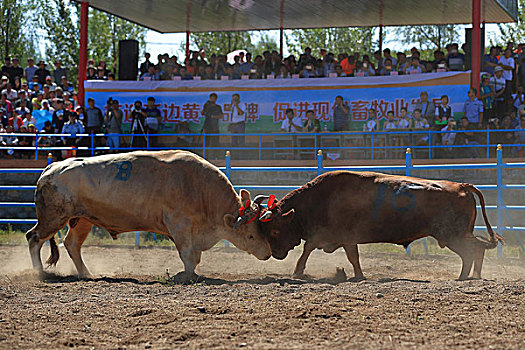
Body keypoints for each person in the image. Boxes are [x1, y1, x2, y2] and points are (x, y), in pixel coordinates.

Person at [201, 93, 223, 157]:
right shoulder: (207, 106)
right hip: (207, 126)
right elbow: (202, 113)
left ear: (216, 99)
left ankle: (216, 156)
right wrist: (205, 106)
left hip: (215, 127)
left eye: (214, 98)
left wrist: (214, 116)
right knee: (206, 143)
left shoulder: (218, 107)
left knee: (215, 142)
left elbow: (221, 115)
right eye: (211, 98)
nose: (212, 99)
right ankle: (206, 156)